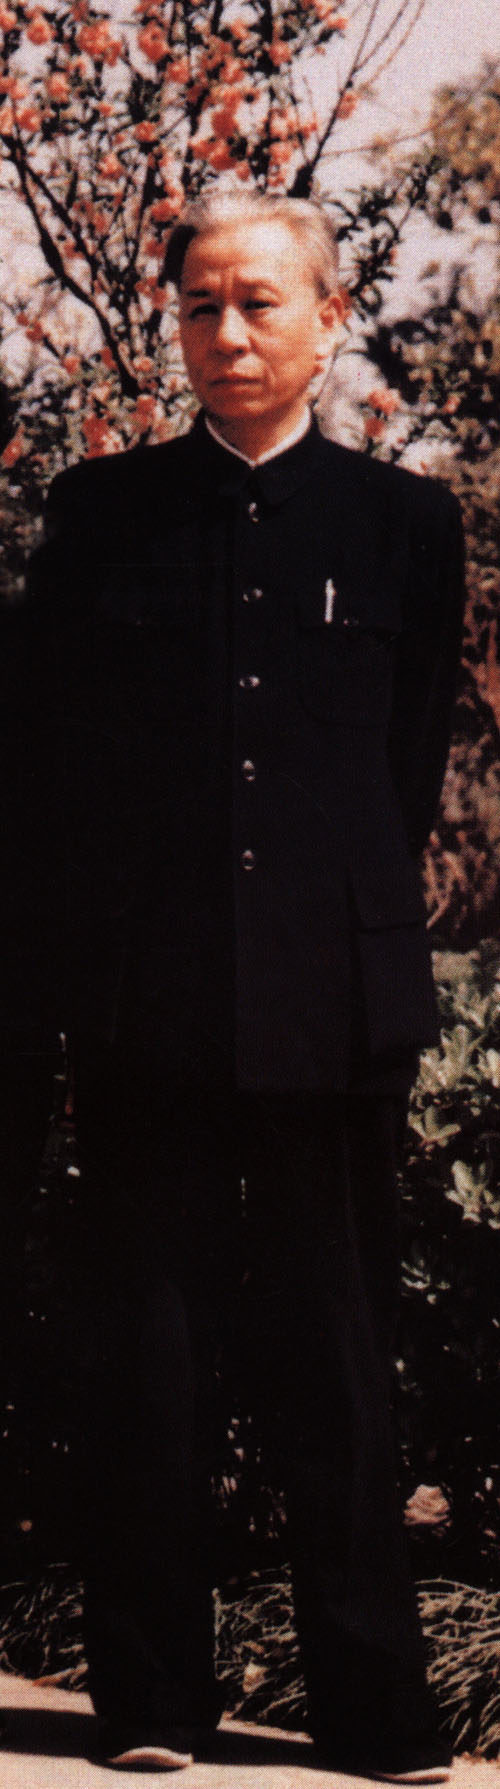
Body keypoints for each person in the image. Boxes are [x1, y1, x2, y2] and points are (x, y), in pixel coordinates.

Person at [3, 191, 464, 1781]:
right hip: (150, 1005)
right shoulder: (103, 514)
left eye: (261, 302)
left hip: (333, 1011)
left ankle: (373, 1710)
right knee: (148, 1360)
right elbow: (56, 771)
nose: (227, 333)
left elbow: (402, 768)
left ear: (329, 322)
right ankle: (149, 1701)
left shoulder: (404, 525)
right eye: (201, 305)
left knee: (338, 1361)